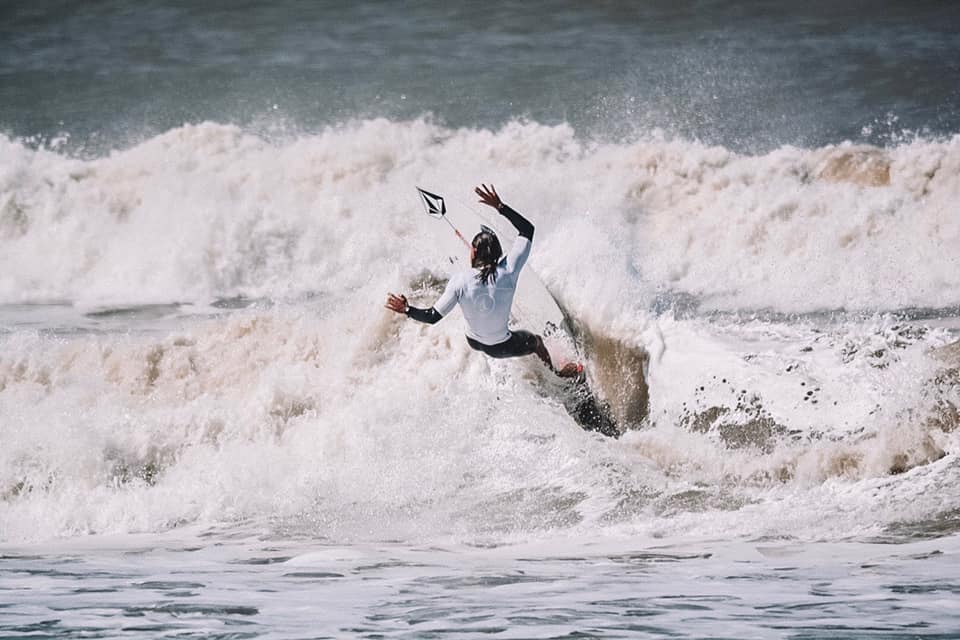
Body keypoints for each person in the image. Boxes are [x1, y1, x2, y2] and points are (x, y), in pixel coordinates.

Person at [385, 184, 581, 378]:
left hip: (474, 341)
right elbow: (527, 229)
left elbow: (432, 317)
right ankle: (558, 372)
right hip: (501, 347)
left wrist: (407, 309)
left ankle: (494, 319)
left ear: (474, 252)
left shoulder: (459, 281)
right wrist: (500, 206)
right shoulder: (509, 269)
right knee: (536, 341)